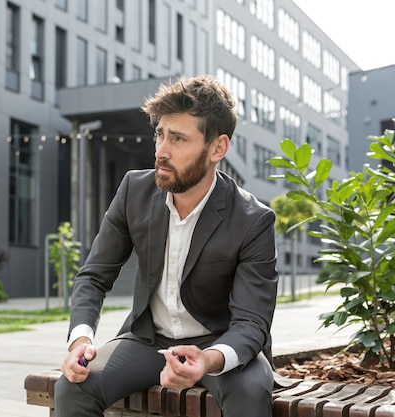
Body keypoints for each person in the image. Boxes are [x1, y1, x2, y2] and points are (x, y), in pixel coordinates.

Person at [54, 74, 279, 417]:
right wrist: (80, 341)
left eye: (178, 138)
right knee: (73, 386)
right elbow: (93, 276)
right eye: (160, 134)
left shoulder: (252, 219)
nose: (161, 151)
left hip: (219, 343)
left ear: (217, 148)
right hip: (148, 340)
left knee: (250, 394)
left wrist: (208, 359)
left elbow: (252, 323)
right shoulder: (134, 190)